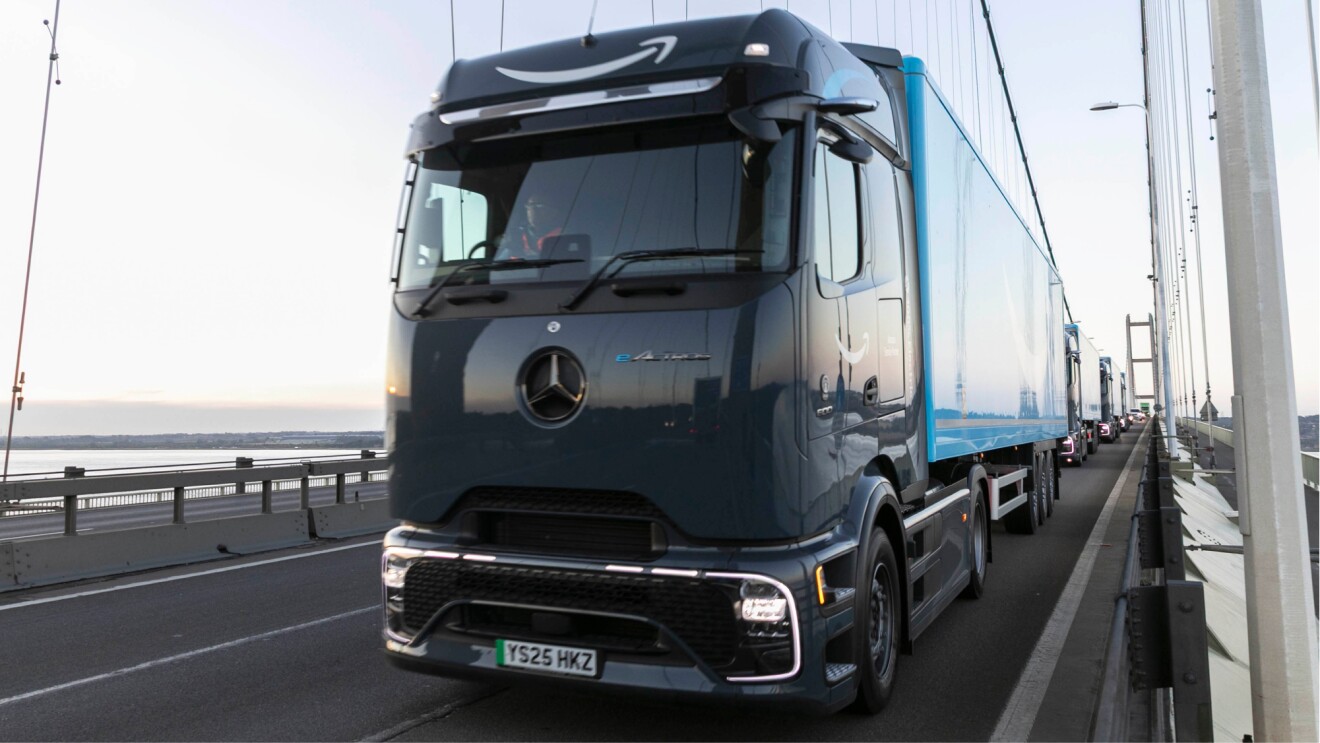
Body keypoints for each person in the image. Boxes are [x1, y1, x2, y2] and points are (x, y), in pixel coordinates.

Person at [514, 192, 565, 258]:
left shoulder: (564, 235)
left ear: (554, 211)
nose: (533, 210)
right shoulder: (517, 235)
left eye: (539, 206)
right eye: (529, 206)